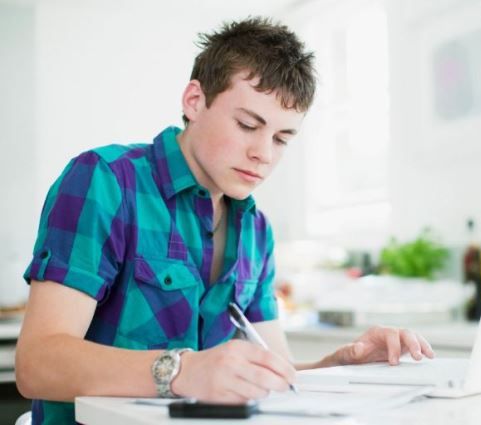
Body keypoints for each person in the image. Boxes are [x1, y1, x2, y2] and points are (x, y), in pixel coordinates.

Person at [15, 17, 434, 424]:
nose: (263, 154)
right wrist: (183, 371)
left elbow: (272, 373)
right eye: (248, 125)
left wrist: (340, 365)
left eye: (281, 139)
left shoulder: (256, 231)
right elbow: (37, 364)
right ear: (194, 101)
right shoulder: (105, 182)